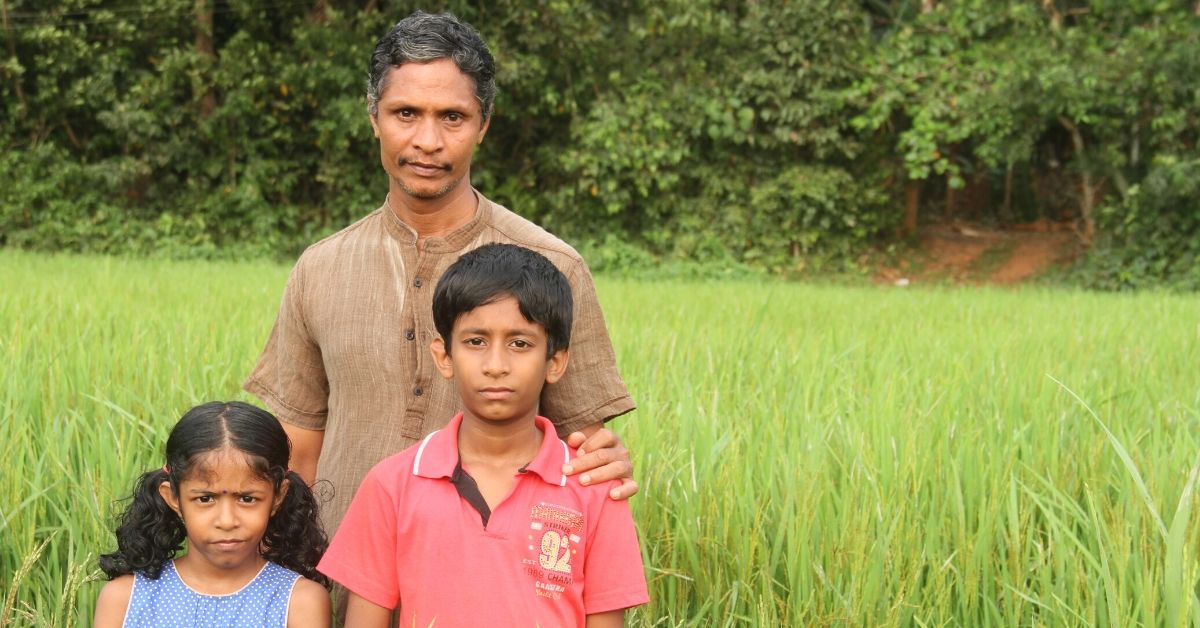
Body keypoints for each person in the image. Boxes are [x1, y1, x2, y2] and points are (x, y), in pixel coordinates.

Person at [243, 10, 638, 544]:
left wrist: (605, 457)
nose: (427, 140)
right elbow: (297, 454)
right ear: (373, 117)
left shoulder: (553, 266)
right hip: (337, 578)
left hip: (488, 584)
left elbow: (584, 456)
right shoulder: (320, 267)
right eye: (406, 112)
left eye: (452, 117)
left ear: (483, 125)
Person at [318, 244, 648, 627]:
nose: (496, 366)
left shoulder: (593, 490)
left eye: (520, 344)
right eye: (475, 342)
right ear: (444, 356)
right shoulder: (392, 485)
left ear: (554, 362)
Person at [93, 401, 331, 627]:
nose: (226, 521)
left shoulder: (299, 602)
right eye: (205, 499)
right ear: (173, 497)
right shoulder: (124, 598)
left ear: (278, 496)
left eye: (247, 499)